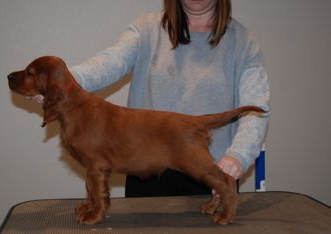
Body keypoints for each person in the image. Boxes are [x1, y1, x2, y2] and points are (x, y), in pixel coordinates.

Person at [30, 0, 269, 197]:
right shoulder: (146, 29)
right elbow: (107, 65)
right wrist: (60, 85)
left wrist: (236, 157)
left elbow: (256, 110)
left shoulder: (244, 43)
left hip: (208, 170)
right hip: (145, 169)